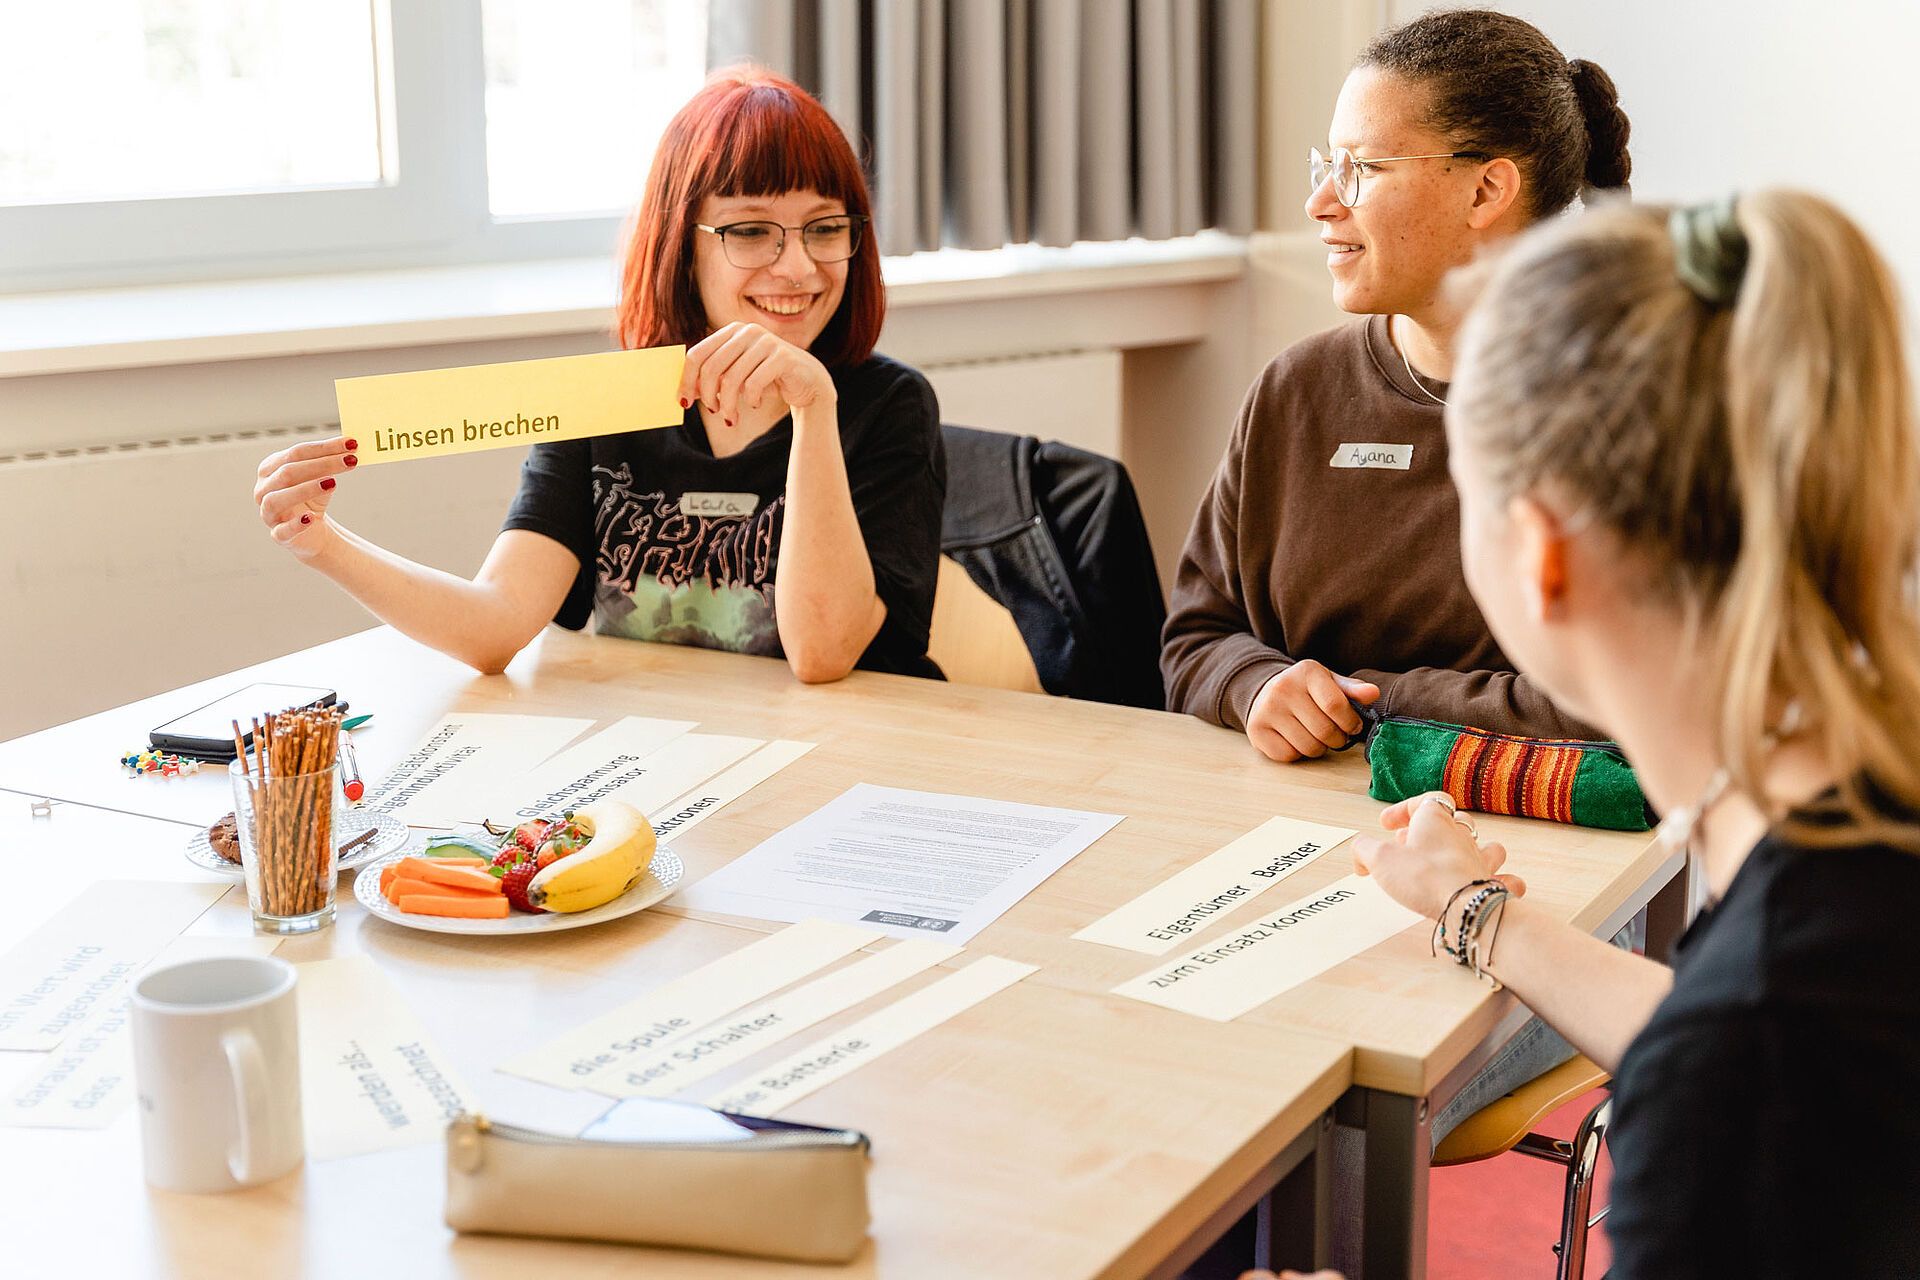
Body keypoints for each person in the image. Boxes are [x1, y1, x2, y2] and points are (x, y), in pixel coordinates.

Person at [1257, 193, 1920, 1279]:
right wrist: (1482, 916)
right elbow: (1727, 1033)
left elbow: (1741, 1056)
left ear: (1540, 551)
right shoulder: (1851, 804)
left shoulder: (1752, 1049)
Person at [252, 67, 944, 683]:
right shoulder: (608, 403)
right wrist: (323, 543)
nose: (797, 267)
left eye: (824, 228)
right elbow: (493, 628)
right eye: (752, 231)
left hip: (843, 766)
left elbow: (823, 657)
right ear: (682, 249)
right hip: (658, 766)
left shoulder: (887, 405)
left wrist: (812, 408)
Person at [1161, 9, 1631, 764]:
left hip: (1539, 847)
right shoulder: (1296, 390)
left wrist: (1363, 702)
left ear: (1486, 192)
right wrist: (1255, 688)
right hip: (1297, 831)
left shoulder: (1622, 412)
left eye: (1363, 169)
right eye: (1327, 165)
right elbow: (1194, 637)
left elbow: (1605, 706)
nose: (1320, 204)